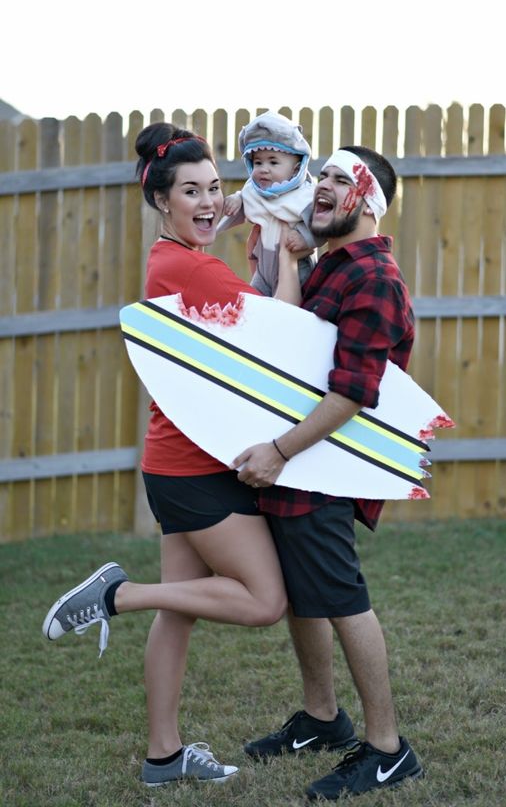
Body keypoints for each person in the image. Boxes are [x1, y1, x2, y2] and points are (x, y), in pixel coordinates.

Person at [42, 122, 287, 789]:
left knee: (182, 606)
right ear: (160, 199)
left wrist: (248, 203)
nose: (208, 202)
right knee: (264, 601)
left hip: (179, 461)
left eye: (213, 187)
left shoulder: (168, 256)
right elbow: (277, 334)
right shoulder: (191, 266)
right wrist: (289, 253)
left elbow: (227, 212)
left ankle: (162, 755)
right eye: (190, 192)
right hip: (194, 470)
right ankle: (119, 595)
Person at [231, 146, 424, 800]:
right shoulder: (327, 268)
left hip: (324, 468)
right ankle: (322, 718)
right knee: (305, 590)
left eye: (342, 179)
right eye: (323, 174)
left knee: (342, 598)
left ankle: (389, 749)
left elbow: (351, 393)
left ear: (368, 202)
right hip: (296, 464)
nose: (323, 186)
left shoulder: (373, 277)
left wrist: (280, 451)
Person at [218, 110, 320, 296]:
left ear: (296, 168)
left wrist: (305, 237)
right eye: (258, 163)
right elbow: (247, 196)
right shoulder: (255, 190)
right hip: (263, 268)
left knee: (294, 311)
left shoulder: (304, 196)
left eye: (273, 163)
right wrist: (237, 200)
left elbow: (321, 225)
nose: (264, 169)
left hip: (297, 267)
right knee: (255, 302)